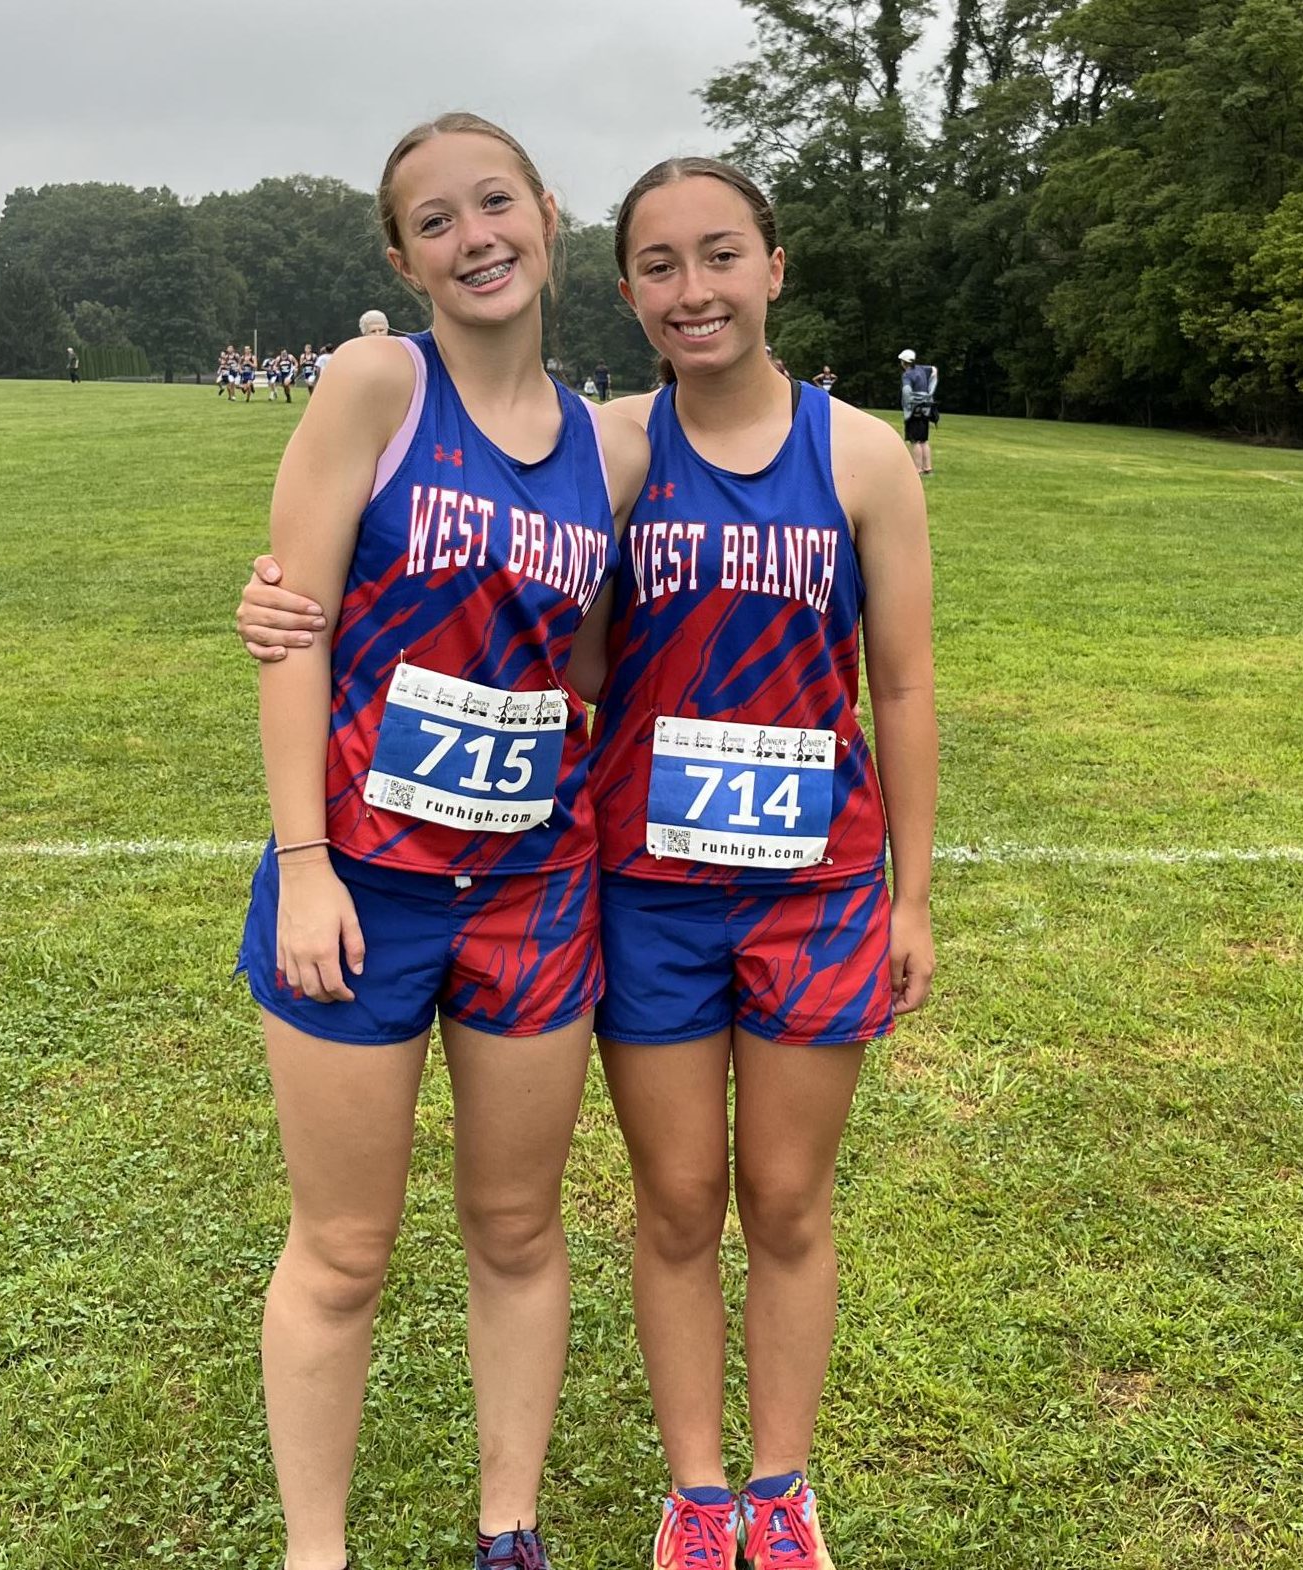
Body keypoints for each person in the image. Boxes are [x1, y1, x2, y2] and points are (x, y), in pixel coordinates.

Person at [239, 153, 936, 1570]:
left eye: (724, 254)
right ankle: (639, 1500)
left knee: (682, 1208)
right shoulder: (518, 421)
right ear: (619, 283)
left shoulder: (743, 451)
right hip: (505, 885)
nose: (695, 289)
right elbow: (409, 605)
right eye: (664, 265)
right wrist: (281, 613)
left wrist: (907, 890)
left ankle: (704, 1500)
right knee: (550, 1217)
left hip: (669, 886)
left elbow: (859, 680)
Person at [233, 111, 645, 1570]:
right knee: (343, 1247)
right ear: (404, 260)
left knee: (518, 1228)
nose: (476, 236)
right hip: (358, 888)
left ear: (545, 210)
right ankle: (316, 1550)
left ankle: (509, 1528)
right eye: (435, 220)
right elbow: (297, 627)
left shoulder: (611, 447)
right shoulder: (371, 385)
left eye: (495, 202)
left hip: (532, 897)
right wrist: (299, 863)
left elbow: (587, 669)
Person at [898, 348, 938, 476]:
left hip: (915, 410)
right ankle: (928, 468)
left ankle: (918, 470)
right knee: (924, 440)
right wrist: (930, 391)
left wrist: (909, 405)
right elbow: (934, 371)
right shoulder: (922, 369)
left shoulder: (907, 375)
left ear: (904, 362)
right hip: (926, 408)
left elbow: (907, 393)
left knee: (915, 440)